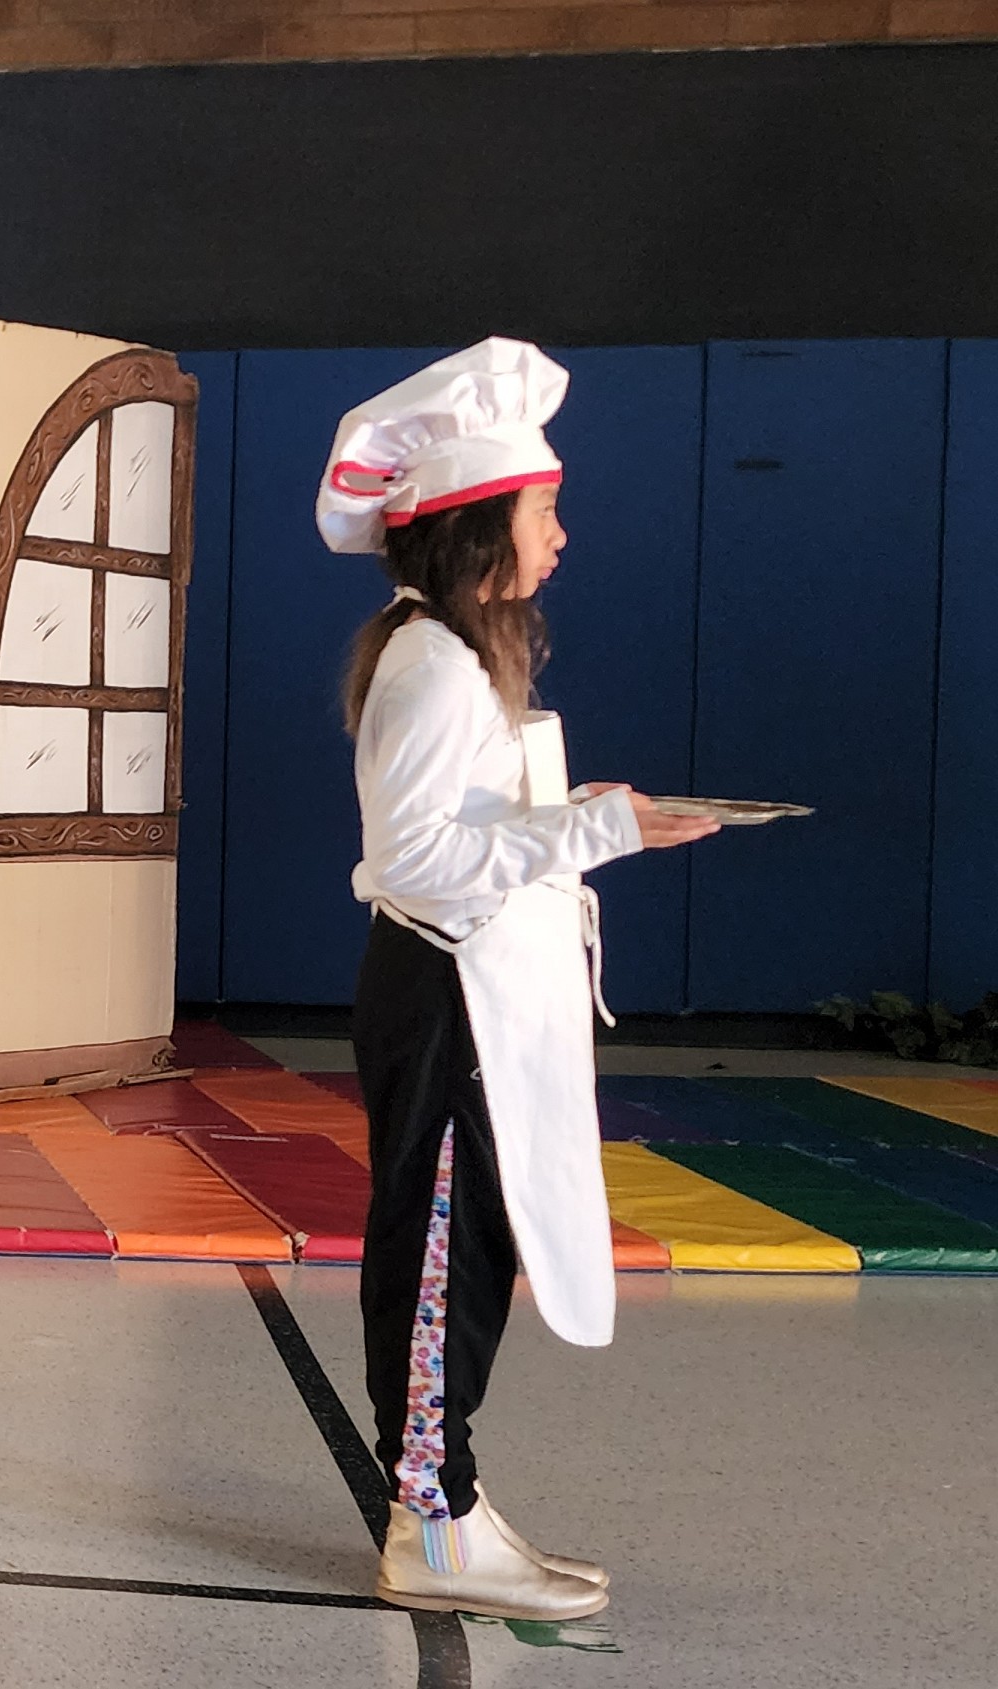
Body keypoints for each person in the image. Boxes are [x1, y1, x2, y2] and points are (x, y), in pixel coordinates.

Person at [320, 339, 718, 1619]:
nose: (560, 536)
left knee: (471, 1251)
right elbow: (418, 860)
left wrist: (583, 811)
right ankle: (431, 1529)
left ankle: (450, 1496)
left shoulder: (448, 656)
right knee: (443, 1255)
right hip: (448, 1002)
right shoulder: (435, 668)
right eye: (546, 510)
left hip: (464, 1000)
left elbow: (468, 824)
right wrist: (599, 831)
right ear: (482, 526)